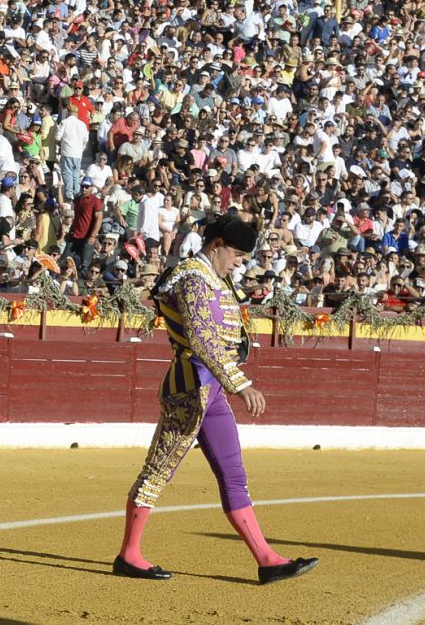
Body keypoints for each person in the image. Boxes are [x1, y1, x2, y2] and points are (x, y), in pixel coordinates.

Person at [115, 210, 318, 584]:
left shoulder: (212, 279)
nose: (240, 264)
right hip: (188, 388)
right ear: (217, 245)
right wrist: (240, 383)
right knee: (158, 471)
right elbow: (202, 338)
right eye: (238, 255)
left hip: (209, 391)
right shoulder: (192, 278)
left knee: (233, 473)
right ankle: (129, 554)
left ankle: (267, 558)